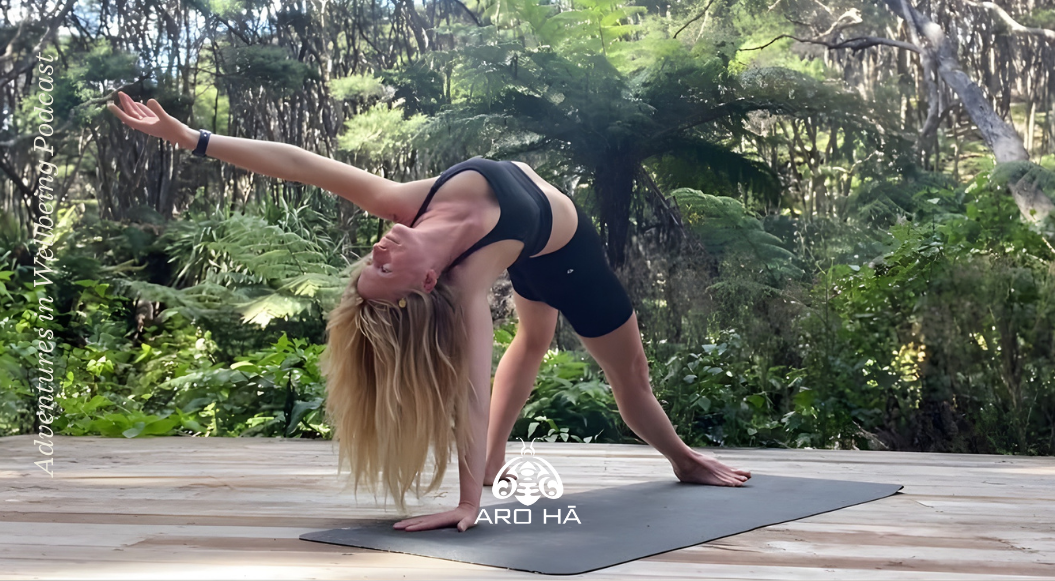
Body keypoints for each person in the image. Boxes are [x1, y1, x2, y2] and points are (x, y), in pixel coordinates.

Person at [108, 91, 751, 533]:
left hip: (545, 255)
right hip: (570, 264)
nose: (380, 249)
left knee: (545, 340)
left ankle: (621, 458)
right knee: (584, 360)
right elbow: (470, 388)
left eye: (369, 259)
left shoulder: (406, 204)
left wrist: (192, 138)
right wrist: (466, 502)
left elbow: (302, 165)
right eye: (384, 270)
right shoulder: (469, 281)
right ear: (427, 282)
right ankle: (683, 459)